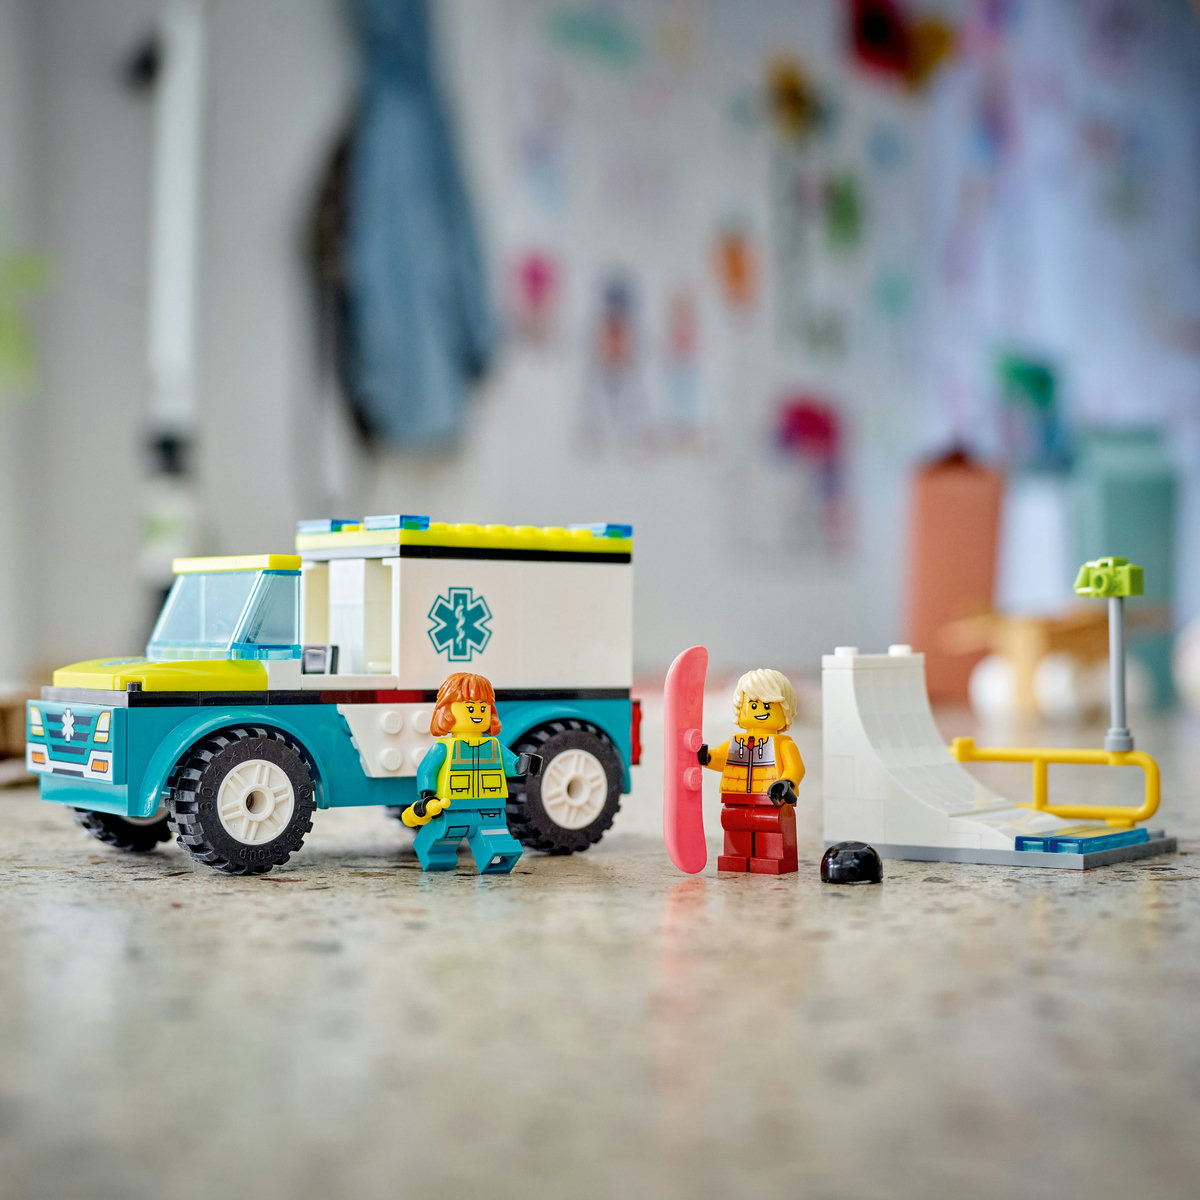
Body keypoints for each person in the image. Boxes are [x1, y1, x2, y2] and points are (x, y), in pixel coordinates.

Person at [402, 672, 541, 874]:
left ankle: (497, 861)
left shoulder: (494, 746)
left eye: (483, 708)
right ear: (447, 710)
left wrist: (526, 764)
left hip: (490, 807)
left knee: (497, 842)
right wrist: (428, 796)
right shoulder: (444, 748)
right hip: (451, 807)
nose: (477, 713)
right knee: (440, 839)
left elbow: (511, 765)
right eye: (470, 707)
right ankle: (435, 857)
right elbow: (427, 770)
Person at [698, 668, 804, 874]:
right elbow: (719, 758)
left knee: (772, 828)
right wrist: (704, 756)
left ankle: (771, 858)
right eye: (753, 705)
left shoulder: (784, 744)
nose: (760, 710)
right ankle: (736, 857)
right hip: (736, 799)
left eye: (768, 705)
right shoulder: (736, 742)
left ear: (785, 709)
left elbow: (796, 767)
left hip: (772, 800)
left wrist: (787, 783)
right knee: (735, 826)